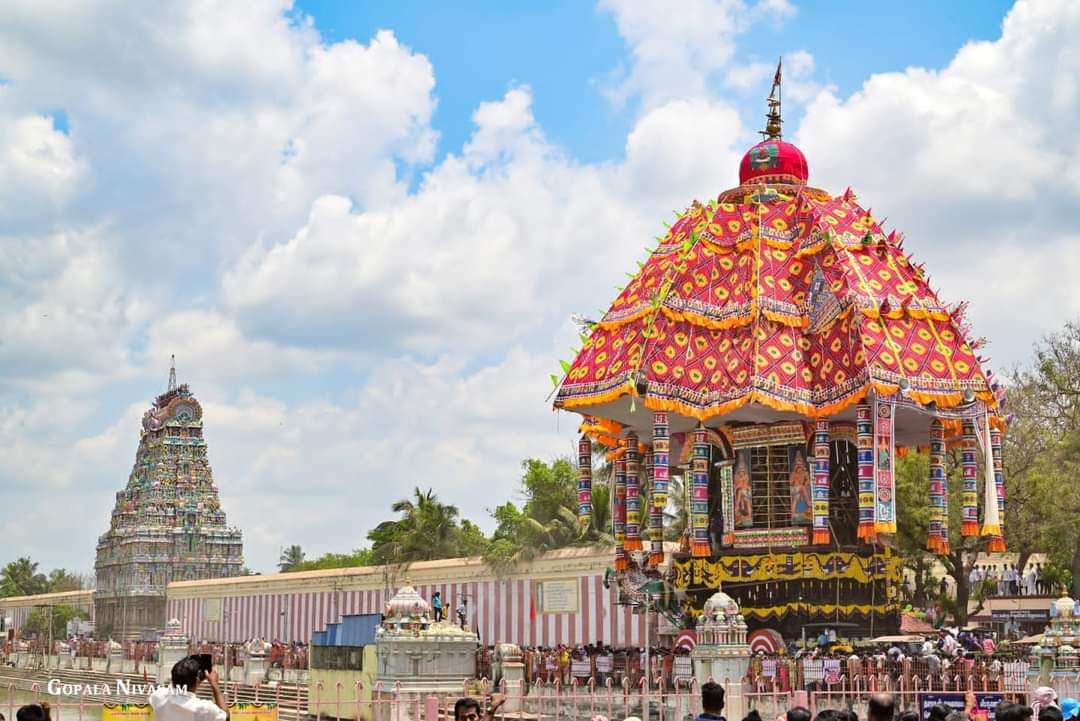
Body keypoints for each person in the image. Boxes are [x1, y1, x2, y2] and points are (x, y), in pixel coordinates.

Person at [150, 656, 228, 721]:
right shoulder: (205, 708)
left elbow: (171, 688)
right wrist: (214, 684)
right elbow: (226, 717)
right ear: (197, 682)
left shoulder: (158, 696)